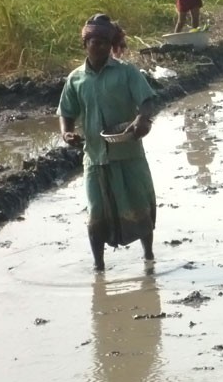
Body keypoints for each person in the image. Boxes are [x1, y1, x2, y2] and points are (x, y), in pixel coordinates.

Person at [58, 14, 158, 271]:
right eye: (93, 41)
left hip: (128, 153)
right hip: (95, 157)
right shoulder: (76, 79)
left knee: (140, 207)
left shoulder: (127, 73)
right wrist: (67, 133)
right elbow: (66, 113)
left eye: (104, 41)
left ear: (111, 45)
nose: (98, 46)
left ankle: (148, 256)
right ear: (85, 44)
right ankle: (98, 267)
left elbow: (146, 100)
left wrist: (142, 120)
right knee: (95, 214)